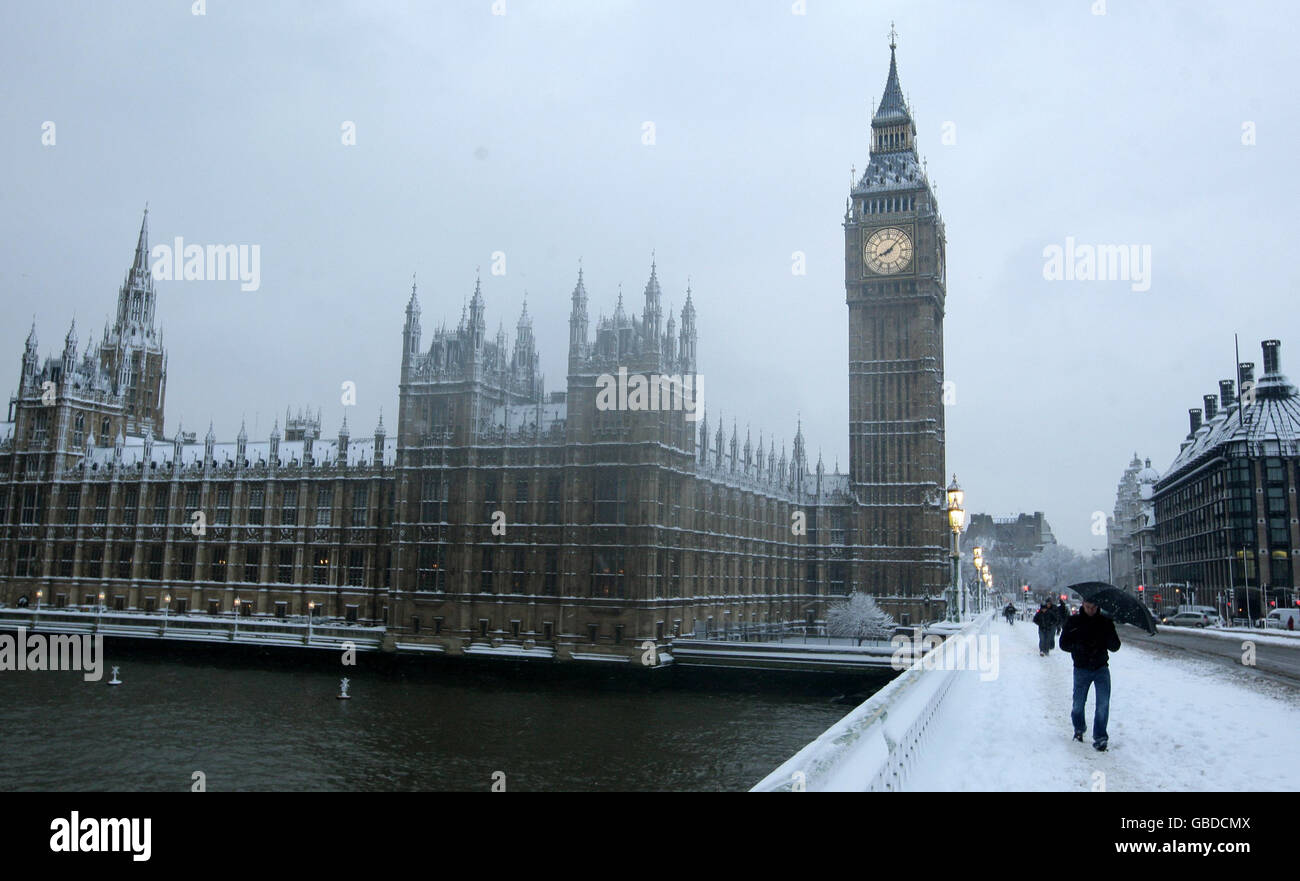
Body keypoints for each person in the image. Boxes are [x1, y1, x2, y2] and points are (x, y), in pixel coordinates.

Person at [1058, 600, 1121, 751]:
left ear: (1097, 607)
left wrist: (1108, 634)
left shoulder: (1105, 622)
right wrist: (1077, 647)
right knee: (1078, 705)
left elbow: (1115, 646)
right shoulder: (1074, 622)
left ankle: (1100, 737)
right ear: (1082, 605)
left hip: (1101, 668)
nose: (1090, 610)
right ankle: (1079, 729)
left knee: (1103, 705)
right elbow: (1063, 643)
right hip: (1081, 668)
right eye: (1087, 607)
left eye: (1093, 607)